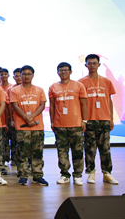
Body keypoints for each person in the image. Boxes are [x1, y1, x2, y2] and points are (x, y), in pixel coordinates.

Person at [78, 54, 119, 185]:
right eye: (89, 63)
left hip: (104, 119)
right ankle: (91, 172)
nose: (92, 66)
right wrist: (83, 120)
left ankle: (107, 173)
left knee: (105, 148)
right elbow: (80, 103)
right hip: (89, 120)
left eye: (94, 63)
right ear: (86, 65)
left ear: (99, 65)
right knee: (90, 148)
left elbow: (109, 100)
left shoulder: (106, 81)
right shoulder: (81, 82)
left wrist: (111, 118)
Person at [49, 62, 87, 186]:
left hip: (75, 124)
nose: (63, 72)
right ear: (57, 72)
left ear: (70, 72)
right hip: (59, 125)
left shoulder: (79, 85)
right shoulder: (53, 87)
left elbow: (84, 104)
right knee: (62, 151)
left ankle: (78, 175)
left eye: (66, 70)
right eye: (61, 70)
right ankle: (65, 174)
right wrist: (52, 121)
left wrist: (84, 120)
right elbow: (52, 106)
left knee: (78, 151)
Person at [10, 65, 48, 186]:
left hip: (37, 126)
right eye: (24, 74)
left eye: (29, 74)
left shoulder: (39, 90)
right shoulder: (14, 90)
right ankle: (23, 175)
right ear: (20, 75)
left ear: (33, 75)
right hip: (22, 127)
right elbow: (15, 106)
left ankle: (37, 175)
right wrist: (27, 118)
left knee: (37, 152)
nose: (26, 76)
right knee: (22, 152)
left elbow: (42, 105)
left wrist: (32, 116)